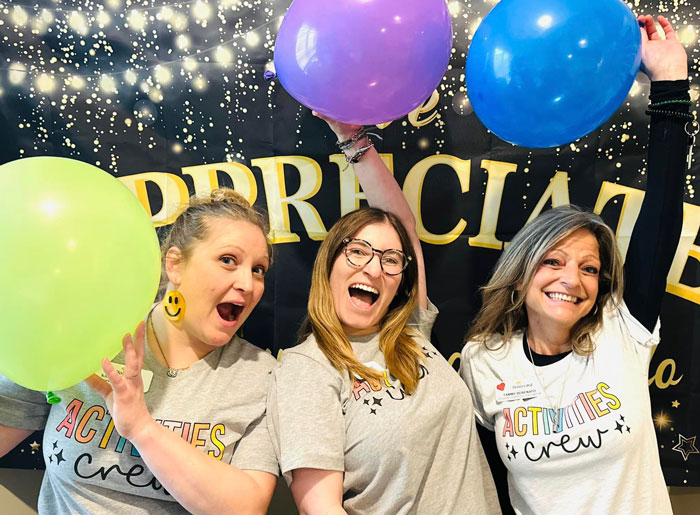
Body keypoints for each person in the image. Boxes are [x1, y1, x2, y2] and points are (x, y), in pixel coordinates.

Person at [459, 15, 690, 514]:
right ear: (521, 274)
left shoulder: (620, 331)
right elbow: (486, 482)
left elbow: (662, 216)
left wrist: (670, 84)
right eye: (554, 261)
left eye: (590, 268)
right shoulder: (483, 359)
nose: (572, 279)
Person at [267, 114, 501, 513]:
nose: (373, 269)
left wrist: (350, 136)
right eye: (357, 251)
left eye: (390, 259)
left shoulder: (411, 332)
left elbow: (405, 226)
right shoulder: (306, 369)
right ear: (330, 263)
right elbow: (319, 510)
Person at [0, 189, 278, 513]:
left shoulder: (261, 374)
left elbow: (247, 508)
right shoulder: (89, 333)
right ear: (174, 264)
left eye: (259, 269)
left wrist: (142, 429)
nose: (248, 283)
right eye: (228, 260)